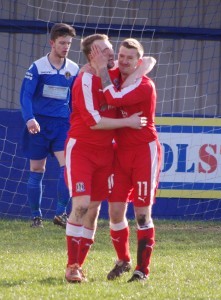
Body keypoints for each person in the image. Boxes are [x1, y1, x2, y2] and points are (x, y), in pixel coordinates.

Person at [64, 34, 153, 283]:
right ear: (91, 54)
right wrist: (129, 122)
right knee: (81, 206)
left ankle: (79, 266)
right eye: (104, 50)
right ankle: (71, 266)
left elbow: (147, 61)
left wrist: (142, 65)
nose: (112, 54)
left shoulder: (113, 72)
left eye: (110, 48)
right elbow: (93, 122)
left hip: (108, 154)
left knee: (94, 210)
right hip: (82, 149)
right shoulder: (85, 79)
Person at [91, 38, 161, 282]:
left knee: (142, 214)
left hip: (143, 151)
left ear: (137, 61)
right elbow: (87, 71)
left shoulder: (145, 85)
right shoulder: (117, 76)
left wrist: (144, 68)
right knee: (115, 210)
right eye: (121, 56)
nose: (123, 61)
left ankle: (143, 270)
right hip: (120, 153)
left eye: (130, 58)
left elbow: (114, 99)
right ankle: (124, 260)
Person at [20, 23, 79, 228]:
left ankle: (61, 213)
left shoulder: (73, 69)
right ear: (52, 43)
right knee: (37, 169)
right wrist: (29, 118)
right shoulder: (37, 67)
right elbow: (26, 95)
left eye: (69, 43)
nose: (66, 47)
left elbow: (74, 100)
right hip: (39, 124)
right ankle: (36, 217)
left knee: (69, 168)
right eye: (62, 43)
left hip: (62, 124)